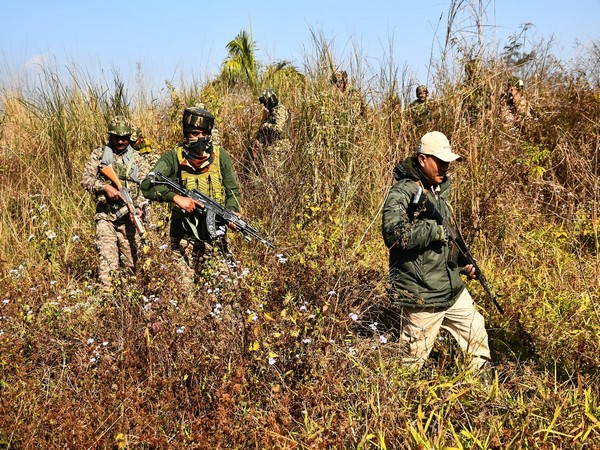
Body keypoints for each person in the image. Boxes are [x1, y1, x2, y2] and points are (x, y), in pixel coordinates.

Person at [381, 131, 491, 372]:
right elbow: (393, 235)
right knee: (410, 364)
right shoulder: (403, 191)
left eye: (447, 162)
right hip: (422, 295)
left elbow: (446, 241)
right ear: (422, 159)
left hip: (451, 288)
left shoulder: (439, 190)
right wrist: (435, 230)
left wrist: (463, 265)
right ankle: (399, 406)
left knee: (477, 336)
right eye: (439, 162)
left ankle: (483, 397)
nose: (445, 167)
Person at [140, 106, 241, 284]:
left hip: (214, 232)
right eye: (194, 133)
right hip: (183, 233)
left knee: (229, 284)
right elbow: (148, 185)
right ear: (186, 134)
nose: (199, 138)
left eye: (203, 133)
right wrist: (176, 198)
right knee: (184, 290)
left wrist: (231, 212)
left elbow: (233, 190)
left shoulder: (220, 156)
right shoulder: (173, 157)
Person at [81, 115, 150, 292]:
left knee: (131, 267)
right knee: (107, 265)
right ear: (110, 136)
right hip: (106, 217)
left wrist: (140, 208)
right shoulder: (99, 155)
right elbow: (86, 180)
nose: (120, 141)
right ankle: (107, 303)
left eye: (124, 138)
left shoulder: (138, 159)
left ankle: (129, 307)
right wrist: (104, 187)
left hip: (129, 219)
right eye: (116, 137)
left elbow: (146, 188)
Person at [252, 89, 291, 163]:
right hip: (273, 147)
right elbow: (263, 130)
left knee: (273, 172)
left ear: (270, 100)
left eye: (265, 103)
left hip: (279, 147)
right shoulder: (271, 112)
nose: (265, 105)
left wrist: (265, 125)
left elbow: (278, 129)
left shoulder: (280, 110)